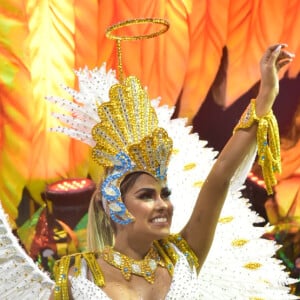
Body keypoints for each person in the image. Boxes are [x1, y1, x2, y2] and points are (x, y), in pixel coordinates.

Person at [0, 19, 297, 300]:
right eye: (147, 195)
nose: (163, 205)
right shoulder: (77, 275)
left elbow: (219, 177)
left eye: (164, 194)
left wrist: (266, 96)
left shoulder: (183, 255)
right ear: (114, 203)